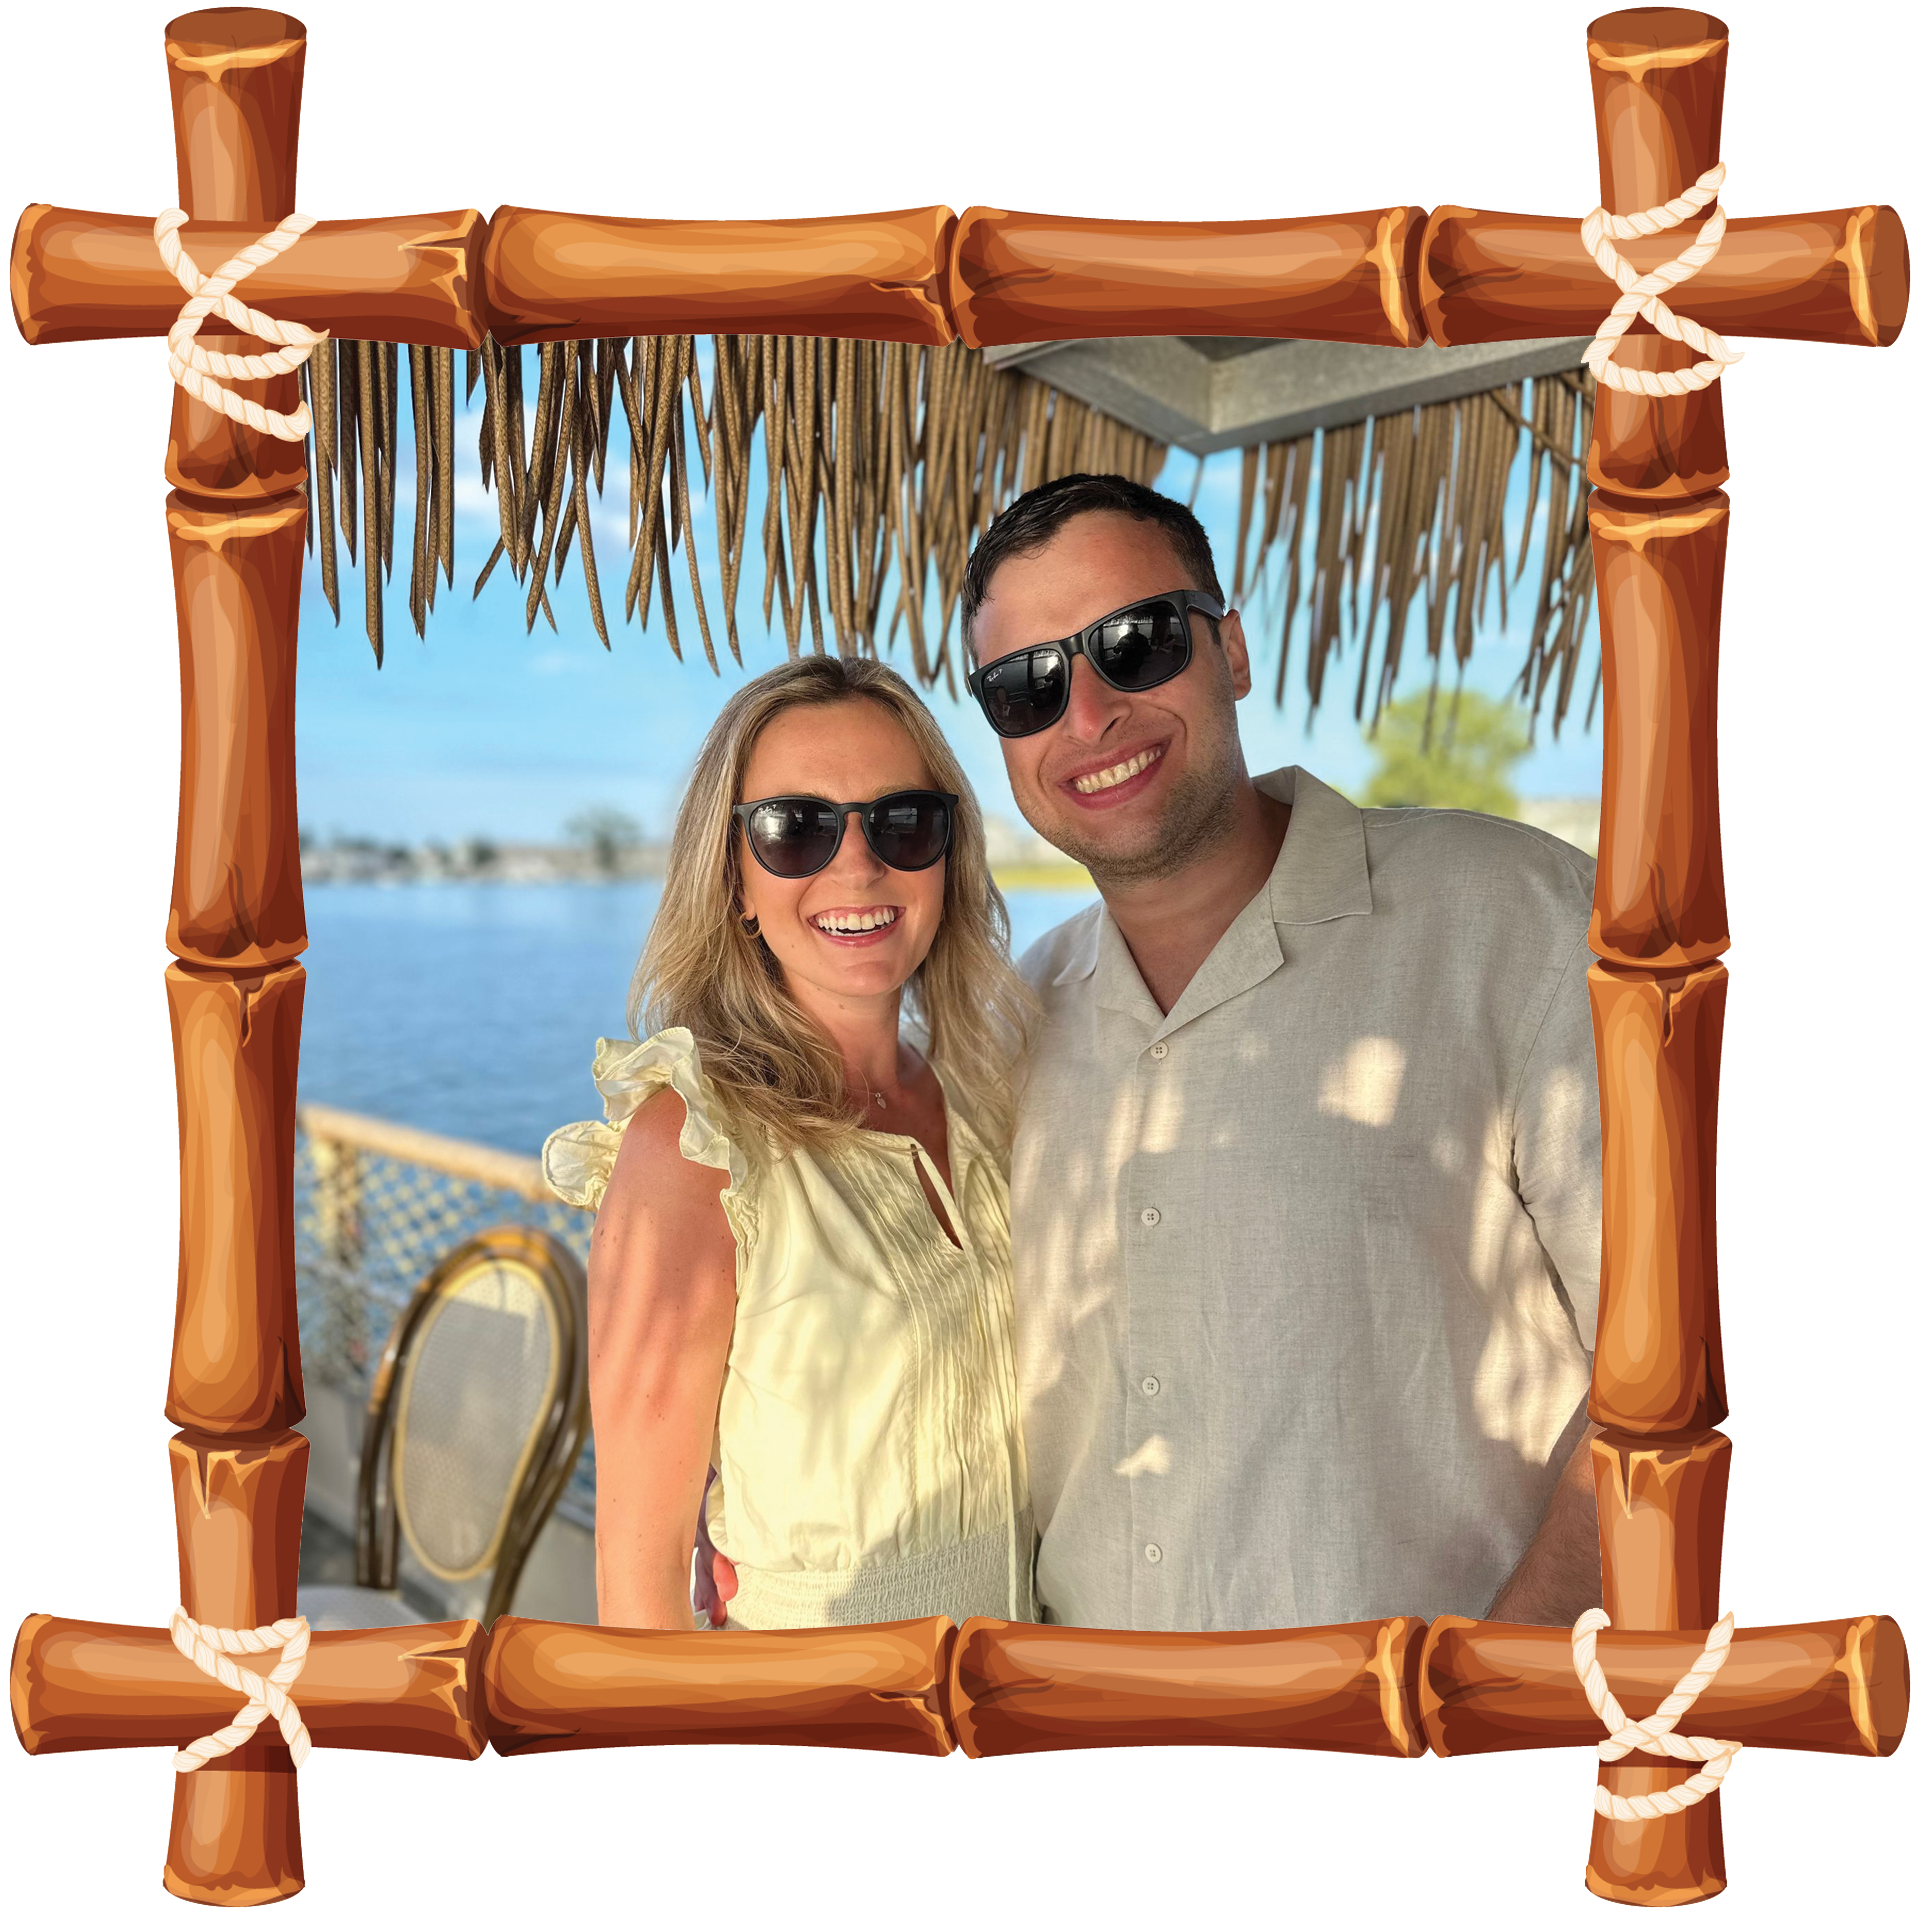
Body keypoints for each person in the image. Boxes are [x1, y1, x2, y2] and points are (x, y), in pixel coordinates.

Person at [961, 472, 1604, 1633]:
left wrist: (1489, 1703)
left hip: (1440, 1765)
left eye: (1137, 641)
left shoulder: (1516, 918)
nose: (1089, 712)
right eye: (1027, 686)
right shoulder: (1009, 1021)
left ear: (1233, 649)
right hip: (1092, 1755)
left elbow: (1672, 1371)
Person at [542, 655, 1037, 1630]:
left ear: (948, 853)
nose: (857, 867)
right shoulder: (694, 1146)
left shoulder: (995, 1105)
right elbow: (637, 1592)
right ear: (734, 879)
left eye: (903, 823)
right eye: (795, 830)